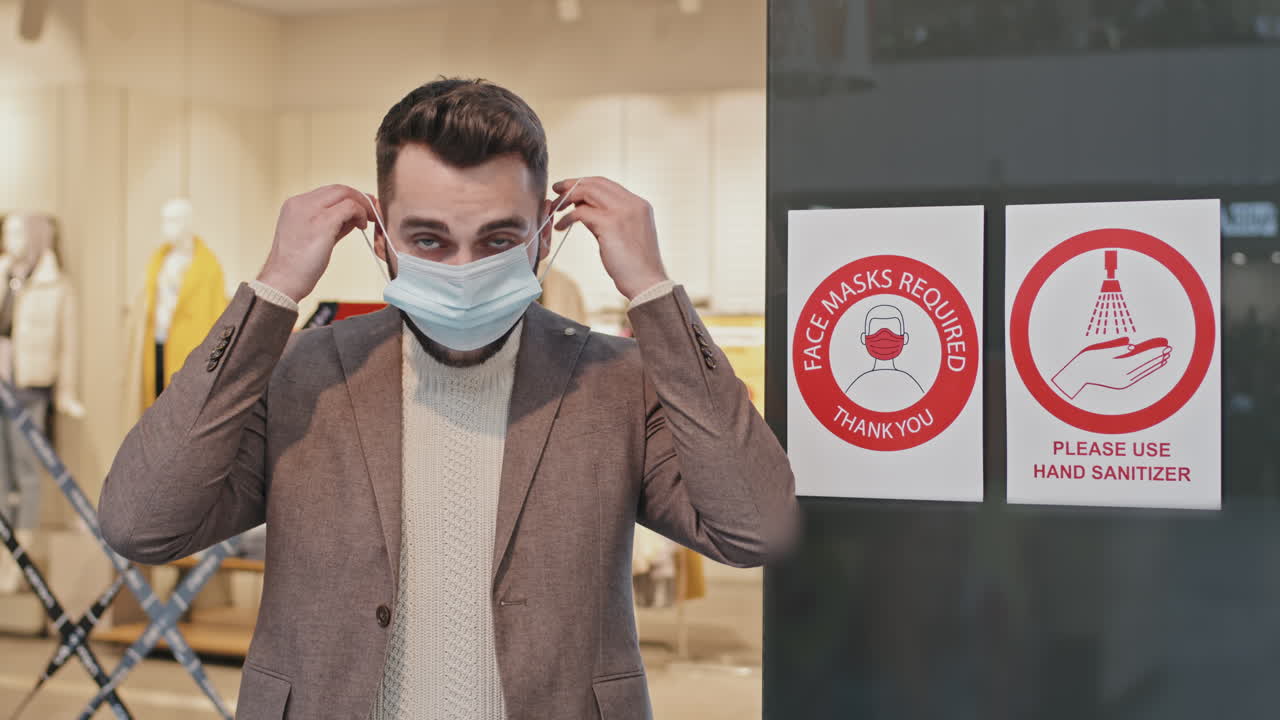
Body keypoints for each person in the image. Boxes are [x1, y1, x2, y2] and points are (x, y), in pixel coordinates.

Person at [98, 78, 797, 720]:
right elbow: (140, 523)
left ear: (544, 236)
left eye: (497, 238)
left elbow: (756, 529)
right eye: (429, 239)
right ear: (380, 237)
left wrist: (653, 290)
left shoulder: (612, 379)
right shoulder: (304, 375)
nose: (464, 271)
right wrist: (275, 288)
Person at [844, 303, 924, 411]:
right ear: (863, 338)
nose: (884, 335)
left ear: (905, 338)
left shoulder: (910, 385)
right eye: (876, 328)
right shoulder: (858, 386)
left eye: (893, 329)